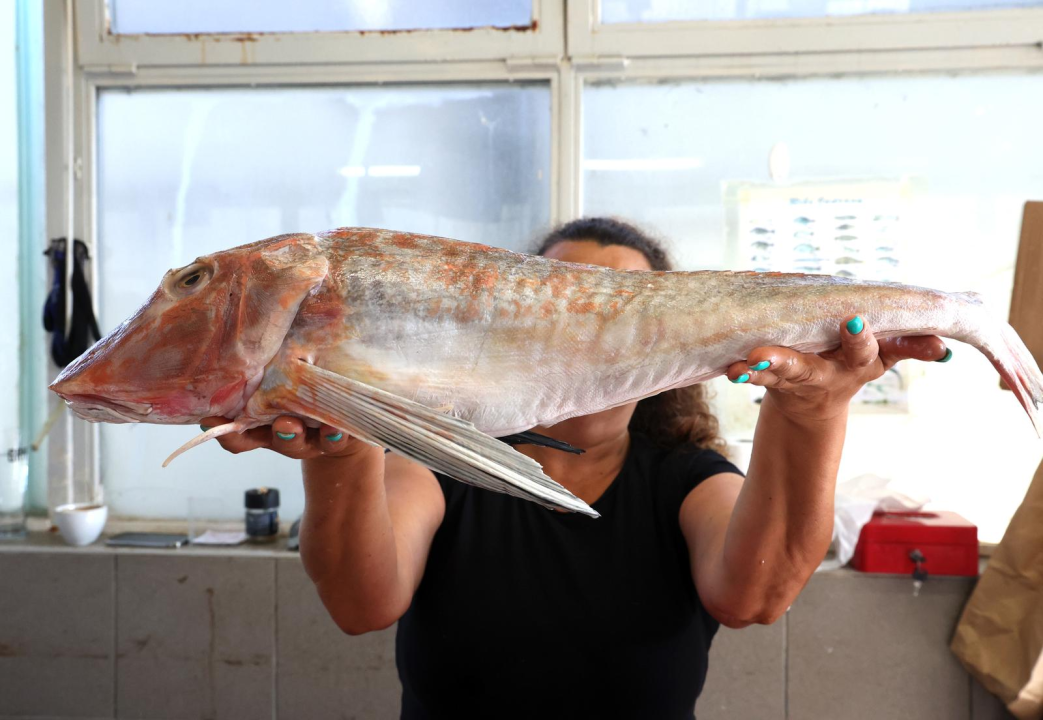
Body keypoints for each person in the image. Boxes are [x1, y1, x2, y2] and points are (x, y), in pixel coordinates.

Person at [206, 217, 949, 719]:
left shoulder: (684, 480)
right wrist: (345, 439)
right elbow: (360, 603)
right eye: (561, 309)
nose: (585, 333)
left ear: (669, 348)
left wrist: (813, 412)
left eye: (618, 314)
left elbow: (751, 594)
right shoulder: (439, 467)